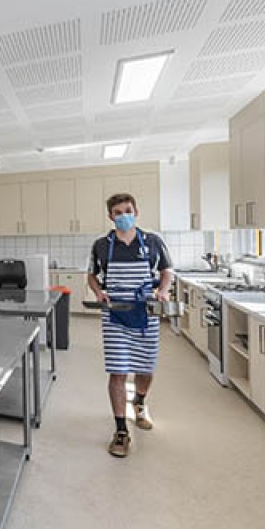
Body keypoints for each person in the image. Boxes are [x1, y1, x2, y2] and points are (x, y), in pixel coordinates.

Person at [86, 193, 174, 458]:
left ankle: (139, 401)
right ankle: (121, 430)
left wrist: (163, 290)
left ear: (136, 212)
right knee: (118, 371)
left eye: (127, 210)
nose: (123, 215)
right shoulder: (102, 245)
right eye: (117, 212)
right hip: (114, 315)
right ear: (110, 217)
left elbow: (167, 271)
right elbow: (91, 275)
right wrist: (98, 292)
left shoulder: (153, 242)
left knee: (145, 368)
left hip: (145, 313)